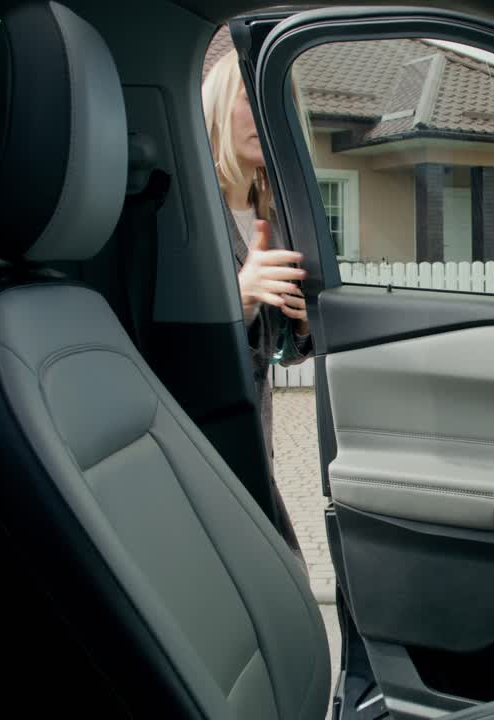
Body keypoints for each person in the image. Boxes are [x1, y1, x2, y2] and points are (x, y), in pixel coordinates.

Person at [202, 49, 314, 552]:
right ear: (218, 108)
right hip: (207, 447)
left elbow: (275, 354)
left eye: (280, 103)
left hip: (256, 447)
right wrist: (239, 299)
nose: (269, 115)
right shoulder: (190, 215)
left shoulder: (270, 214)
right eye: (252, 101)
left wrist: (304, 328)